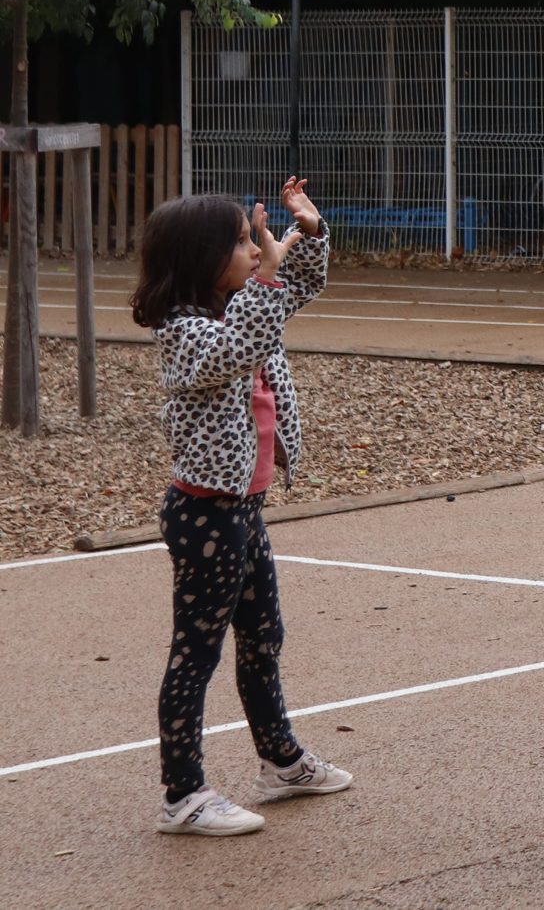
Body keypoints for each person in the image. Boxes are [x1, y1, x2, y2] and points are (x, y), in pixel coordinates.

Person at [134, 178, 354, 837]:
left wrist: (307, 234)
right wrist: (270, 275)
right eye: (239, 239)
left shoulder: (238, 306)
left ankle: (281, 759)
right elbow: (242, 346)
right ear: (202, 257)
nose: (252, 247)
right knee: (195, 652)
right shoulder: (187, 333)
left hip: (243, 507)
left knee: (262, 637)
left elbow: (293, 295)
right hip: (206, 513)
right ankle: (183, 792)